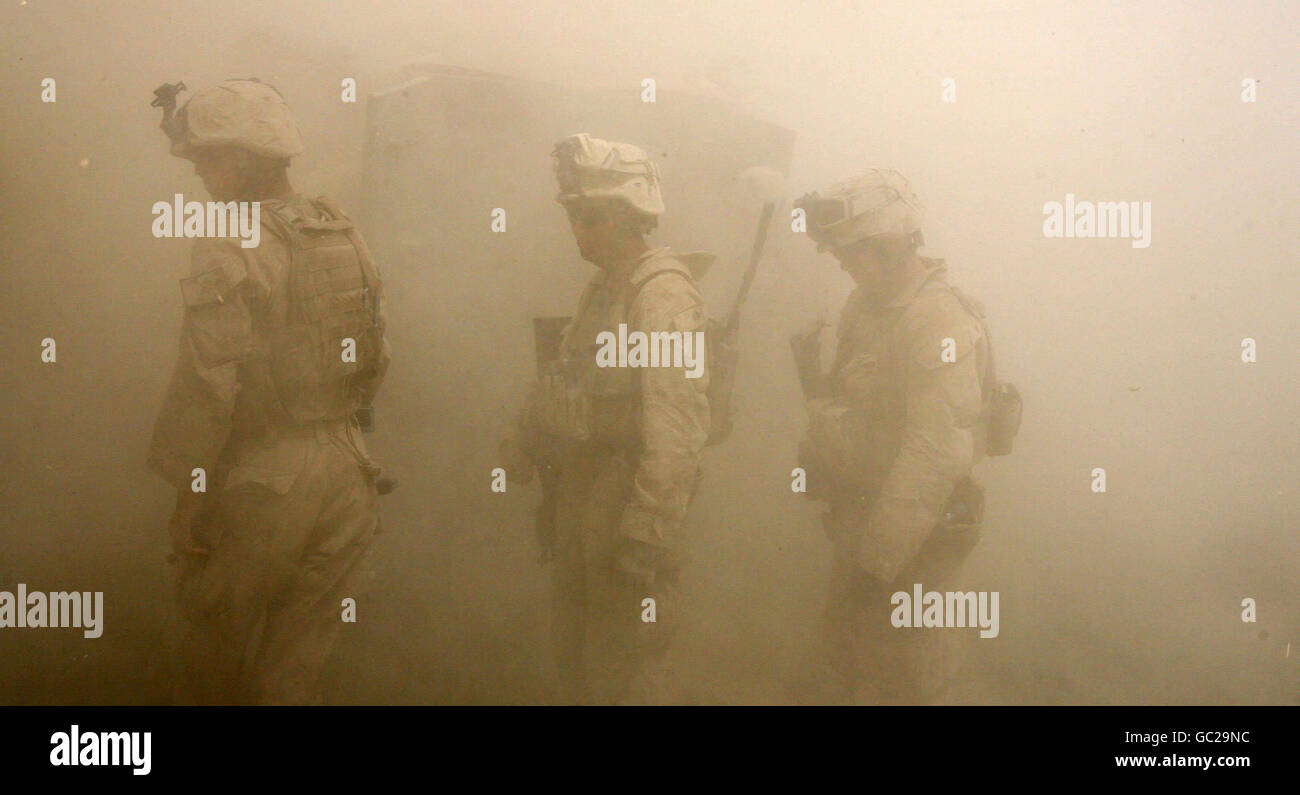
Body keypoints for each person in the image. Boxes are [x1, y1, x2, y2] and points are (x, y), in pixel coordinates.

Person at [147, 78, 390, 704]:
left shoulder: (229, 238)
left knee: (208, 663)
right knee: (292, 678)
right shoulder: (340, 230)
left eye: (208, 156)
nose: (199, 171)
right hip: (347, 474)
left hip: (266, 478)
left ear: (247, 158)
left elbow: (207, 383)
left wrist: (189, 492)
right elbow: (375, 355)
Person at [502, 133, 711, 704]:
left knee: (630, 661)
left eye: (591, 217)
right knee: (581, 654)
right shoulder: (604, 289)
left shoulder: (661, 294)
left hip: (627, 498)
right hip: (589, 494)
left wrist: (648, 528)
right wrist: (523, 439)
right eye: (574, 215)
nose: (578, 230)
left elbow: (677, 423)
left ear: (629, 217)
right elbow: (568, 375)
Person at [793, 169, 995, 704]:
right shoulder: (866, 305)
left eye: (849, 252)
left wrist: (878, 566)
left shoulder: (937, 319)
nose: (840, 264)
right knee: (848, 664)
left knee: (907, 677)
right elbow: (857, 407)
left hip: (914, 544)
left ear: (886, 243)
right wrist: (813, 383)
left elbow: (934, 454)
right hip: (866, 524)